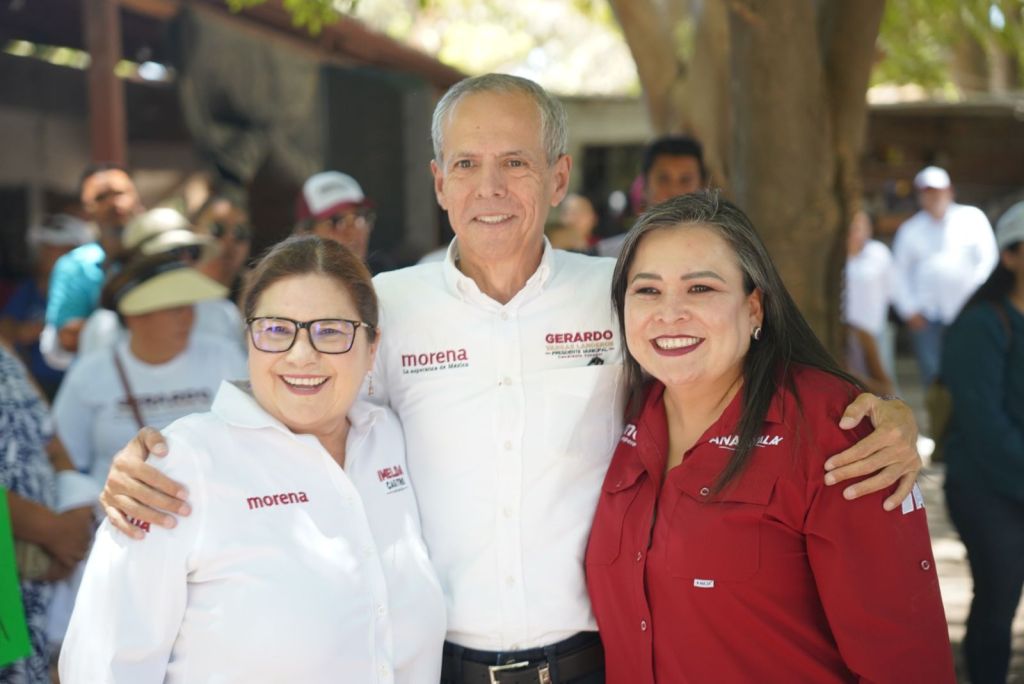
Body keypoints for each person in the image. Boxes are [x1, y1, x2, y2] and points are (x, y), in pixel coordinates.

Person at [98, 74, 922, 684]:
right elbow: (294, 408)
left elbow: (733, 363)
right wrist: (169, 459)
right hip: (435, 663)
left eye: (515, 163)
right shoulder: (386, 308)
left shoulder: (625, 295)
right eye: (465, 164)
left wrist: (882, 415)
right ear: (438, 182)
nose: (489, 189)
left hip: (597, 658)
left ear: (557, 178)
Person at [586, 192, 954, 682]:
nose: (669, 313)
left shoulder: (835, 430)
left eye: (701, 288)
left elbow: (906, 660)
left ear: (754, 307)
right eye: (647, 290)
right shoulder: (615, 411)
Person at [59, 236, 445, 682]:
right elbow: (102, 665)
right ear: (249, 340)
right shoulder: (180, 467)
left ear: (372, 348)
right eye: (277, 330)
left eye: (331, 331)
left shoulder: (391, 438)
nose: (301, 355)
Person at [941, 200, 1024, 684]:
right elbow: (983, 426)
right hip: (986, 490)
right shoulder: (981, 325)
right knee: (997, 602)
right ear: (1010, 256)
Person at [0, 342, 94, 684]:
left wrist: (75, 514)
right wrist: (53, 531)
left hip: (25, 585)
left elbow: (51, 440)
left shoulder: (4, 350)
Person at [76, 207, 245, 357]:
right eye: (174, 253)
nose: (185, 260)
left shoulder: (222, 313)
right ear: (137, 262)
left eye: (192, 251)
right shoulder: (104, 327)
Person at [892, 165, 999, 386]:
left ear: (950, 191)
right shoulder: (909, 230)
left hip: (968, 312)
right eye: (928, 192)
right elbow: (898, 273)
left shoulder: (972, 218)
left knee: (972, 368)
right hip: (927, 317)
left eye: (938, 191)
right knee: (933, 375)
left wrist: (978, 301)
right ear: (920, 196)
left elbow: (988, 261)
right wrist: (909, 310)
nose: (934, 197)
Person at [40, 163, 142, 370]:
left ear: (137, 198)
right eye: (101, 197)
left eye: (120, 193)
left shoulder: (165, 253)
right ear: (87, 209)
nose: (113, 203)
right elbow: (68, 338)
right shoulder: (74, 266)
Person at [0, 214, 94, 399]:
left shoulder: (93, 287)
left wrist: (50, 328)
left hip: (82, 384)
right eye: (45, 247)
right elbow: (5, 329)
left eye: (58, 248)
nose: (48, 254)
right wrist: (21, 332)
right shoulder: (30, 288)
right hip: (36, 386)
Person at [597, 135, 708, 257]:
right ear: (645, 186)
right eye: (663, 179)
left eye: (685, 180)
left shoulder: (718, 254)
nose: (674, 191)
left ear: (702, 187)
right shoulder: (605, 257)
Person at [294, 170, 378, 264]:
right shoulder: (289, 273)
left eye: (359, 217)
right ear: (305, 235)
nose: (352, 232)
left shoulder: (387, 271)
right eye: (336, 221)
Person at [191, 193, 252, 301]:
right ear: (194, 232)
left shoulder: (255, 295)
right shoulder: (171, 287)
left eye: (241, 232)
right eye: (217, 229)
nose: (229, 239)